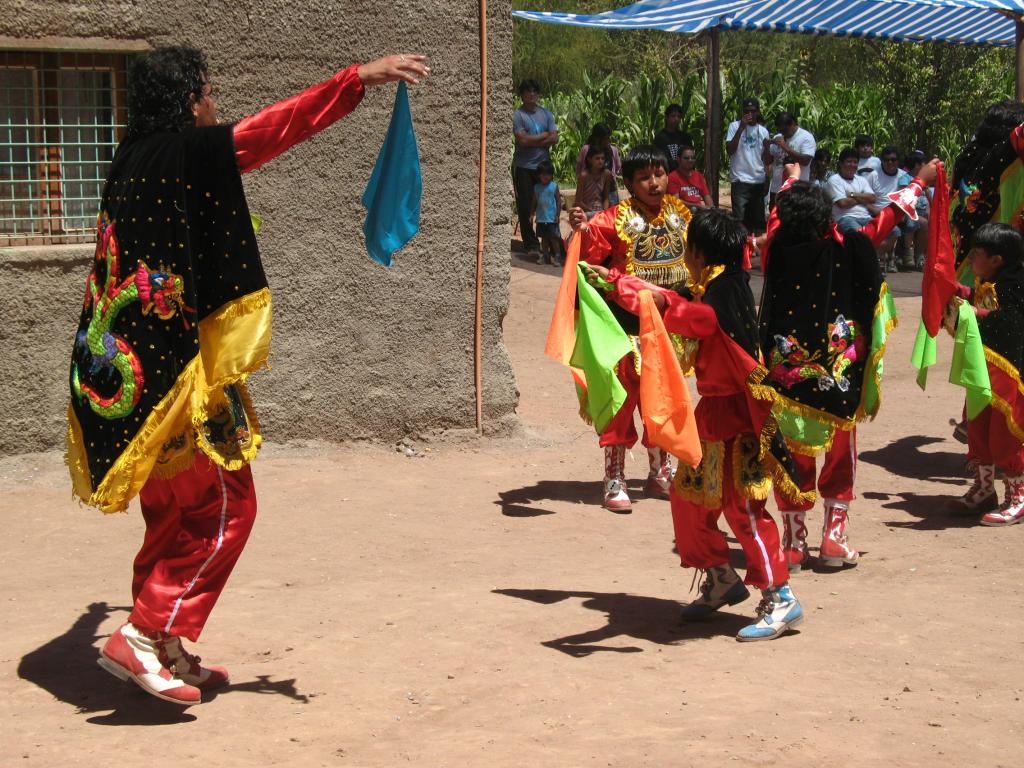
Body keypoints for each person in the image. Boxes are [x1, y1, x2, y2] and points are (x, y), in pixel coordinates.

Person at [67, 46, 429, 706]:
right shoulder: (189, 152)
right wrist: (356, 80)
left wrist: (82, 622)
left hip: (130, 382)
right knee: (227, 508)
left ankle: (163, 641)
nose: (215, 105)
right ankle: (143, 634)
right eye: (208, 93)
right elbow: (273, 129)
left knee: (171, 512)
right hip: (176, 380)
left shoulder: (130, 159)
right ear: (189, 103)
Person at [582, 208, 810, 641]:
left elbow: (685, 312)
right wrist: (613, 282)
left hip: (739, 419)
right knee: (688, 502)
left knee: (743, 509)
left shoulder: (722, 296)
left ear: (699, 254)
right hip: (711, 416)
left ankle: (781, 597)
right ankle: (721, 577)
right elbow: (666, 295)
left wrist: (633, 291)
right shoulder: (714, 285)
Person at [759, 161, 937, 571]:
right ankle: (834, 538)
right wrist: (918, 182)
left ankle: (793, 544)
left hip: (789, 376)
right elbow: (886, 220)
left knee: (793, 453)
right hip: (839, 375)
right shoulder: (848, 245)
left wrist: (790, 179)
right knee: (841, 452)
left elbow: (776, 216)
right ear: (826, 217)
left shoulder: (776, 248)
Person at [568, 145, 691, 513]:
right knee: (621, 403)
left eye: (659, 174)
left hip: (667, 328)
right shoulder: (613, 219)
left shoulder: (683, 215)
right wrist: (581, 230)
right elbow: (587, 260)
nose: (653, 183)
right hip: (624, 328)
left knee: (662, 399)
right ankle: (615, 477)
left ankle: (659, 472)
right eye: (643, 178)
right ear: (630, 183)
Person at [946, 224, 1024, 525]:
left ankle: (1017, 497)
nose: (970, 258)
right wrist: (959, 292)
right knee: (978, 428)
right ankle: (984, 489)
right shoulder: (987, 282)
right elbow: (979, 303)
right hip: (982, 370)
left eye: (976, 253)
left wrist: (972, 313)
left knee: (1005, 433)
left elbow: (1009, 323)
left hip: (1009, 374)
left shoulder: (1016, 286)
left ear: (997, 259)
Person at [513, 79, 559, 261]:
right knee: (525, 206)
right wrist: (544, 136)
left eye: (534, 91)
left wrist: (533, 139)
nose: (532, 94)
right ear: (522, 95)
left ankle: (551, 242)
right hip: (524, 167)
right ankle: (531, 243)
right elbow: (522, 140)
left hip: (543, 167)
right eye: (528, 91)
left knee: (546, 204)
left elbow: (555, 138)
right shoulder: (518, 115)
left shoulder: (546, 114)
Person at [725, 98, 769, 233]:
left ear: (758, 112)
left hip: (758, 181)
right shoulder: (734, 126)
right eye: (747, 111)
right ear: (742, 112)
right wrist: (741, 128)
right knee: (739, 222)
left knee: (758, 223)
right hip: (740, 181)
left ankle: (756, 246)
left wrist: (767, 148)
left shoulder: (763, 131)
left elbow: (767, 160)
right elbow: (730, 150)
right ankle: (742, 245)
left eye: (753, 111)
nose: (750, 114)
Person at [867, 146, 910, 273]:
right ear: (881, 161)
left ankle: (889, 257)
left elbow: (907, 199)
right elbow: (866, 200)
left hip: (897, 212)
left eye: (893, 159)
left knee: (917, 223)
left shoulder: (904, 176)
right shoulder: (873, 175)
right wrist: (878, 212)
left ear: (898, 161)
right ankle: (884, 257)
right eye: (886, 160)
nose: (890, 162)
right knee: (892, 228)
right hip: (876, 211)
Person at [766, 111, 816, 209]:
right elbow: (768, 161)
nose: (782, 133)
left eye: (784, 130)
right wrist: (766, 147)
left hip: (796, 190)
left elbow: (805, 161)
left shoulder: (806, 137)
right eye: (780, 130)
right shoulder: (778, 137)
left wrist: (785, 147)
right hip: (777, 188)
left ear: (792, 124)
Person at [825, 147, 876, 233]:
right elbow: (842, 203)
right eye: (849, 162)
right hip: (845, 218)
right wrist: (863, 198)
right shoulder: (834, 180)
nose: (852, 165)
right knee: (862, 235)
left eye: (855, 162)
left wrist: (852, 194)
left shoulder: (862, 180)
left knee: (893, 231)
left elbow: (873, 198)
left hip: (866, 217)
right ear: (841, 163)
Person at [575, 123, 622, 204]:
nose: (607, 141)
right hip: (591, 191)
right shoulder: (587, 149)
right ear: (597, 138)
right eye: (604, 138)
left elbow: (618, 168)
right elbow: (580, 169)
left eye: (608, 138)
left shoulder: (613, 150)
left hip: (610, 189)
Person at [533, 159, 564, 266]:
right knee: (544, 238)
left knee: (554, 238)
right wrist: (531, 213)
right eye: (543, 174)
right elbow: (534, 201)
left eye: (548, 174)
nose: (545, 176)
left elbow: (559, 201)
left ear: (551, 175)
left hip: (552, 218)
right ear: (539, 175)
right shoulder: (537, 187)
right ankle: (545, 255)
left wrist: (557, 215)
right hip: (541, 218)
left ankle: (558, 256)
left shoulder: (554, 186)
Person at [666, 145, 713, 211]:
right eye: (686, 158)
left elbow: (707, 197)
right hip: (681, 212)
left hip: (698, 211)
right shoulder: (672, 177)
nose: (690, 160)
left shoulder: (699, 176)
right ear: (678, 160)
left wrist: (711, 209)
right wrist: (697, 206)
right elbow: (675, 201)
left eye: (692, 158)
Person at [653, 103, 694, 168]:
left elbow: (690, 157)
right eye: (673, 116)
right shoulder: (660, 138)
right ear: (666, 117)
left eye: (678, 116)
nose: (676, 119)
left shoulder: (685, 137)